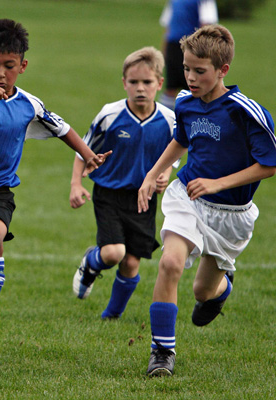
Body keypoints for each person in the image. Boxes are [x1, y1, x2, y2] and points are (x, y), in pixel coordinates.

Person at [0, 18, 111, 364]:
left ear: (22, 66)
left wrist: (88, 155)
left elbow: (62, 128)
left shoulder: (29, 103)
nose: (1, 73)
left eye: (9, 66)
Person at [138, 24, 276, 377]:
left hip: (232, 214)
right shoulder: (185, 103)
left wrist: (218, 183)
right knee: (169, 263)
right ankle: (162, 353)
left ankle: (221, 288)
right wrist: (153, 173)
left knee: (202, 292)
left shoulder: (245, 111)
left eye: (200, 71)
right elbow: (180, 141)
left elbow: (269, 165)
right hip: (187, 196)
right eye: (186, 68)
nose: (190, 78)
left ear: (222, 70)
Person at [71, 47, 176, 320]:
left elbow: (177, 149)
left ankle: (111, 317)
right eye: (134, 82)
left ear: (159, 84)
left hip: (144, 198)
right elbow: (83, 148)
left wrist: (167, 172)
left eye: (147, 82)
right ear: (124, 83)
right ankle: (90, 264)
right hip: (109, 192)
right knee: (114, 253)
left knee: (131, 263)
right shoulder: (110, 115)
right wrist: (75, 184)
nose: (140, 88)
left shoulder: (168, 118)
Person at [159, 0, 218, 110]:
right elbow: (169, 25)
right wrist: (164, 51)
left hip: (192, 47)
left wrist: (203, 50)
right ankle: (166, 119)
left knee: (194, 85)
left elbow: (206, 25)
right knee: (171, 86)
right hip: (174, 46)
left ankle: (196, 118)